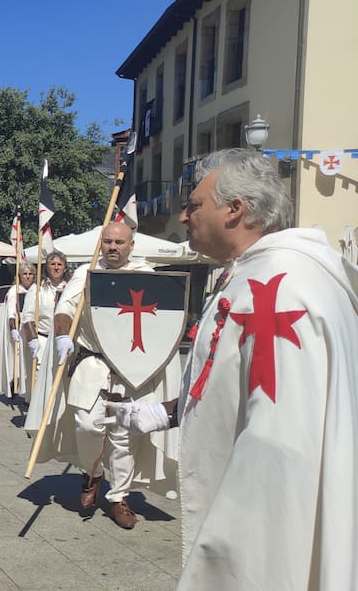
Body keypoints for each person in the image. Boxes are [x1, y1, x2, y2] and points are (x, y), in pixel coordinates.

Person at [105, 148, 358, 587]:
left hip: (264, 526)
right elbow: (240, 382)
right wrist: (168, 412)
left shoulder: (279, 287)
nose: (184, 217)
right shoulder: (254, 274)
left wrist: (230, 554)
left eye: (195, 204)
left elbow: (279, 441)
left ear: (235, 210)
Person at [33, 221, 179, 530]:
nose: (113, 247)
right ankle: (93, 473)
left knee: (124, 436)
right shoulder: (87, 274)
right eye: (108, 242)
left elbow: (165, 320)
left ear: (130, 245)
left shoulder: (147, 276)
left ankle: (118, 497)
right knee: (87, 425)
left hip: (130, 367)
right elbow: (65, 309)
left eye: (119, 242)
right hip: (92, 362)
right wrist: (62, 335)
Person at [20, 251, 70, 406]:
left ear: (65, 267)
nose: (56, 267)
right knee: (41, 376)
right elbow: (27, 317)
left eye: (59, 264)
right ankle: (39, 410)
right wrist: (33, 340)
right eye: (52, 264)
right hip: (43, 338)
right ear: (47, 267)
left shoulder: (71, 288)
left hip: (65, 340)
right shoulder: (37, 289)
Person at [0, 265, 34, 398]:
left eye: (30, 274)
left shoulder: (36, 291)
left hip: (33, 331)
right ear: (19, 276)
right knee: (19, 361)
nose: (27, 276)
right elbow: (11, 313)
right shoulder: (14, 292)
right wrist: (13, 329)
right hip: (20, 331)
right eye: (24, 274)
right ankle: (17, 386)